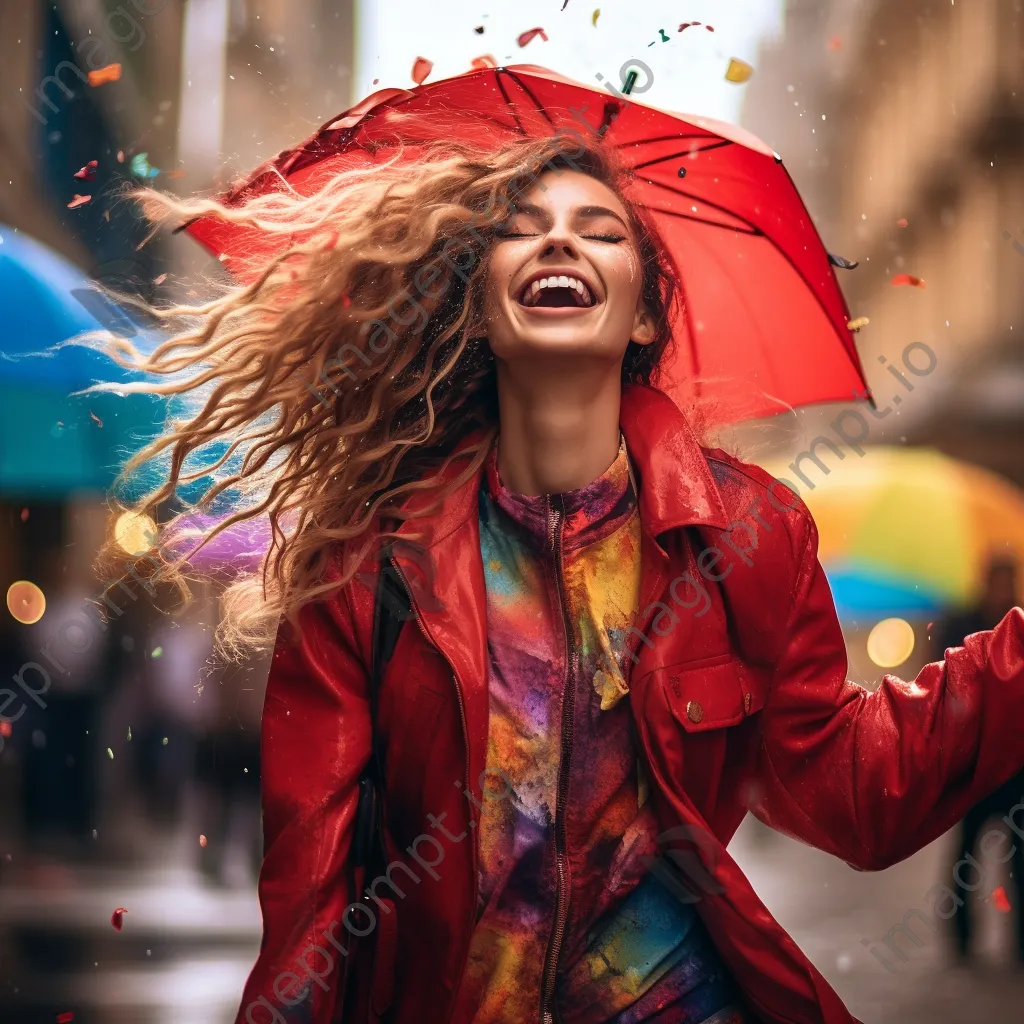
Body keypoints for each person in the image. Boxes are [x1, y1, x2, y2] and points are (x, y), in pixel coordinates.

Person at [96, 135, 1024, 1024]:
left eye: (603, 229)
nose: (560, 238)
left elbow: (856, 798)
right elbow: (309, 898)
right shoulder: (363, 559)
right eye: (521, 224)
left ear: (646, 313)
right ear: (478, 304)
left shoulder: (749, 535)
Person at [937, 554, 1024, 963]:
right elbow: (940, 679)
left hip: (1016, 769)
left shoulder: (1018, 628)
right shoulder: (961, 624)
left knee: (1018, 860)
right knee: (966, 857)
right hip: (975, 765)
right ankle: (960, 940)